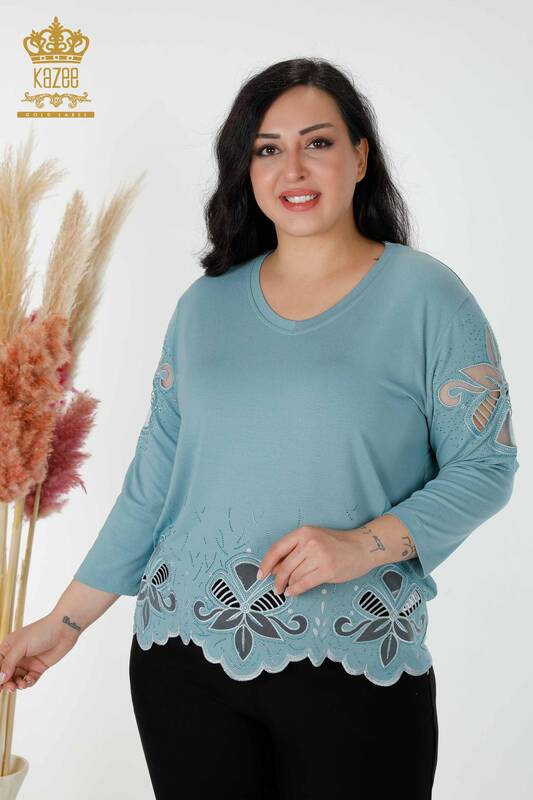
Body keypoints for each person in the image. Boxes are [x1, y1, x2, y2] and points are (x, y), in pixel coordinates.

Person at [0, 58, 519, 799]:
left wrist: (362, 545)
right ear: (246, 169)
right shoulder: (204, 307)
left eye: (318, 143)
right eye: (268, 148)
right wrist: (66, 621)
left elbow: (485, 466)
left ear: (360, 157)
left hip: (353, 658)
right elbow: (154, 486)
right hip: (181, 658)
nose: (292, 169)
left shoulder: (427, 296)